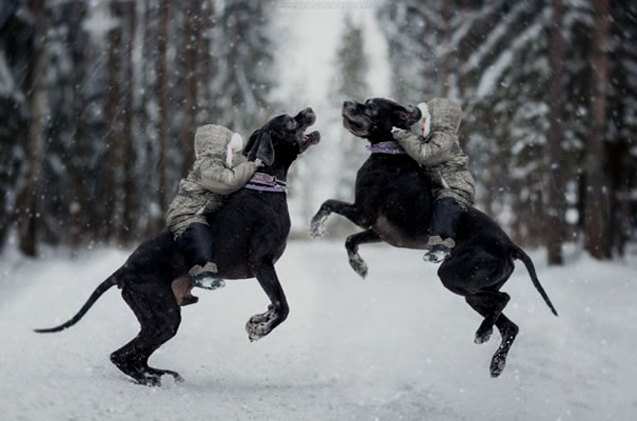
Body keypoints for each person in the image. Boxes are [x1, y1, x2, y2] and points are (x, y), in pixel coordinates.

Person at [166, 124, 262, 305]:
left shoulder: (217, 166)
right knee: (200, 236)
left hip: (201, 212)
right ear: (220, 150)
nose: (234, 157)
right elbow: (229, 182)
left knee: (209, 232)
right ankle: (202, 274)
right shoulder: (206, 166)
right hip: (186, 214)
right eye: (231, 152)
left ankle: (182, 286)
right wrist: (251, 166)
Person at [392, 98, 475, 263]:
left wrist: (403, 136)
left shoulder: (445, 140)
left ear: (436, 121)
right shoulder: (433, 139)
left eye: (424, 121)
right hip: (438, 188)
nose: (421, 126)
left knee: (445, 206)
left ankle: (441, 245)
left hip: (455, 188)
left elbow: (426, 155)